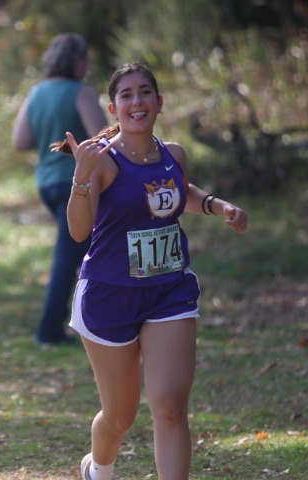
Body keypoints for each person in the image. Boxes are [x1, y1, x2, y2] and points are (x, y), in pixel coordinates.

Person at [54, 63, 248, 480]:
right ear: (113, 108)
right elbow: (78, 232)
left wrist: (217, 205)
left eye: (145, 92)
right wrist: (81, 177)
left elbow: (179, 192)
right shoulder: (103, 163)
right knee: (120, 415)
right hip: (109, 295)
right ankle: (98, 468)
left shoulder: (174, 154)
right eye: (126, 95)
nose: (136, 101)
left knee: (171, 407)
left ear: (159, 103)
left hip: (169, 290)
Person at [12, 33, 108, 346]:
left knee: (82, 251)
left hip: (47, 183)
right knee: (71, 255)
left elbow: (21, 141)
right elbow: (104, 138)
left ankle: (93, 319)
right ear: (79, 62)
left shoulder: (36, 93)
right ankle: (50, 331)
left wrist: (49, 137)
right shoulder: (82, 93)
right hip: (78, 184)